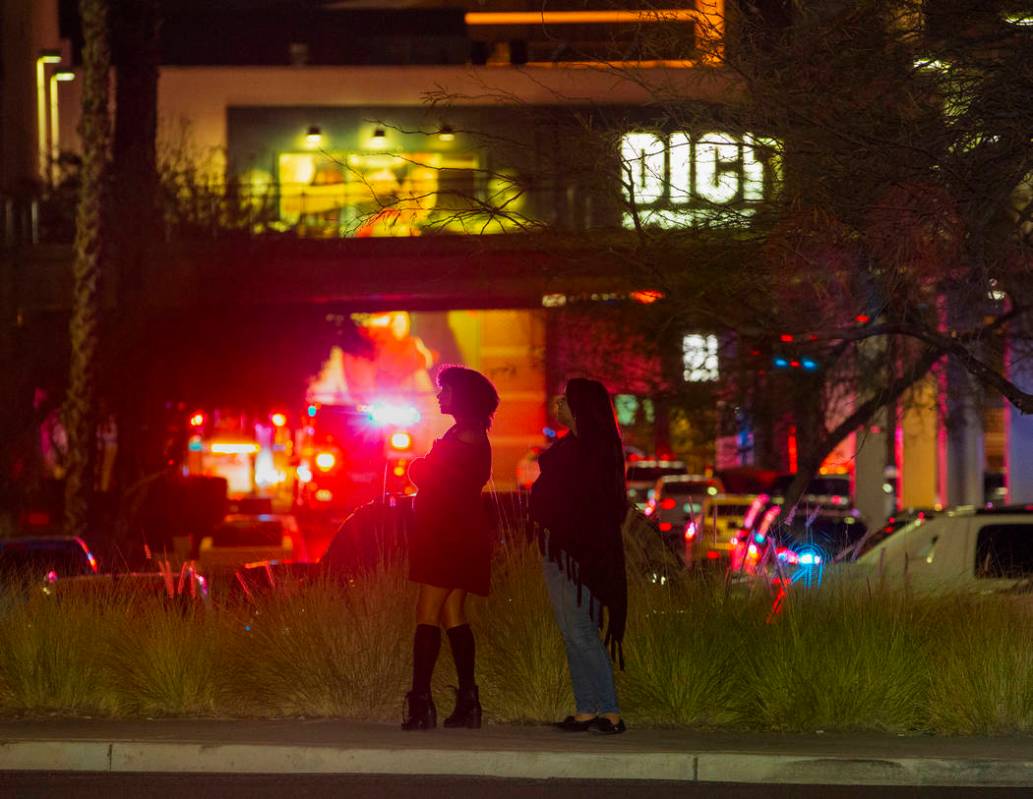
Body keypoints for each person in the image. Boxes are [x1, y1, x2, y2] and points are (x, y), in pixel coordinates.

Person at [402, 366, 500, 731]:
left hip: (448, 536)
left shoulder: (465, 436)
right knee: (453, 612)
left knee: (426, 612)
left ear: (461, 395)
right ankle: (467, 702)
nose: (439, 396)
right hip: (461, 534)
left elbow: (428, 476)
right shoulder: (470, 434)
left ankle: (420, 703)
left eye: (444, 390)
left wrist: (420, 466)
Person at [530, 378, 628, 735]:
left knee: (582, 629)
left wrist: (565, 529)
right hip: (559, 549)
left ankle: (610, 711)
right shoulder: (572, 446)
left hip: (582, 554)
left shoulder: (597, 450)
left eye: (565, 401)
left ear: (581, 408)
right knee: (572, 630)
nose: (557, 406)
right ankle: (587, 707)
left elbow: (601, 505)